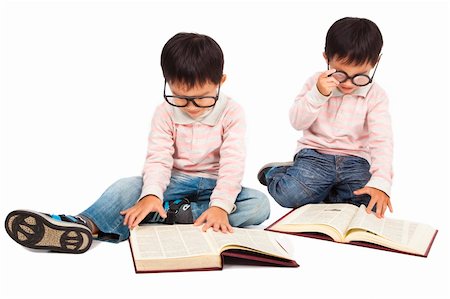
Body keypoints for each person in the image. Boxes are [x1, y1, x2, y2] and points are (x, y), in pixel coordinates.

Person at [5, 32, 270, 254]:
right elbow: (159, 158)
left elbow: (233, 164)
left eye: (201, 99)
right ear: (168, 82)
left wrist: (219, 207)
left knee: (258, 205)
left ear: (220, 82)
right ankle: (84, 224)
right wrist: (152, 193)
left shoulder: (232, 112)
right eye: (180, 97)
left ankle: (162, 214)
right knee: (126, 187)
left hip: (215, 185)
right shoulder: (164, 112)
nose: (190, 107)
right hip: (174, 182)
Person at [258, 17, 393, 219]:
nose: (348, 84)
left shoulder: (376, 95)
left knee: (369, 206)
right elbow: (297, 122)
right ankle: (276, 173)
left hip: (355, 161)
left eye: (361, 75)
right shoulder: (315, 83)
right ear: (326, 57)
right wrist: (318, 94)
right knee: (289, 195)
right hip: (315, 156)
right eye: (340, 74)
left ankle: (327, 191)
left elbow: (382, 140)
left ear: (376, 62)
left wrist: (381, 183)